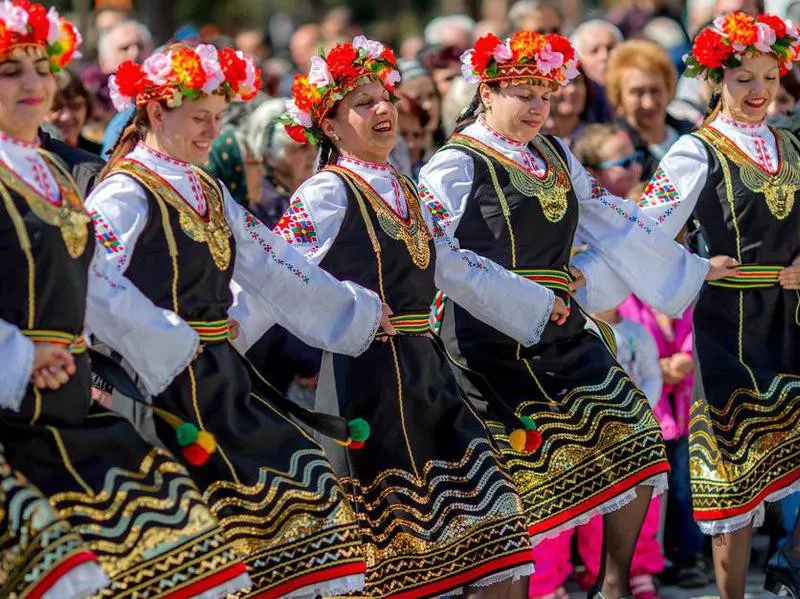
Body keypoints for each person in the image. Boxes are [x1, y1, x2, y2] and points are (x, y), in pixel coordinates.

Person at [420, 30, 737, 599]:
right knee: (515, 496)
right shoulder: (455, 164)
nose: (540, 105)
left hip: (562, 329)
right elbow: (437, 252)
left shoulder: (554, 152)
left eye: (546, 91)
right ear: (487, 91)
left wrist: (679, 265)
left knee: (638, 441)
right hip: (486, 341)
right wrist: (530, 297)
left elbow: (612, 217)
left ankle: (614, 584)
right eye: (524, 92)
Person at [86, 42, 392, 598]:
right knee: (190, 536)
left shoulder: (205, 187)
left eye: (218, 118)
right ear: (156, 112)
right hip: (153, 388)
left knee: (303, 481)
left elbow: (273, 264)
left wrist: (358, 310)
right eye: (199, 118)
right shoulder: (124, 193)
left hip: (215, 379)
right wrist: (165, 336)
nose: (212, 132)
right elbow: (88, 282)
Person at [0, 5, 250, 597]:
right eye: (10, 69)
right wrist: (19, 354)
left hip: (63, 407)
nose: (35, 84)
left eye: (41, 67)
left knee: (182, 549)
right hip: (10, 418)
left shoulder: (49, 174)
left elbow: (91, 281)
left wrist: (182, 339)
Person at [279, 35, 542, 598]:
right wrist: (345, 312)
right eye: (362, 103)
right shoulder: (325, 192)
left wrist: (537, 305)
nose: (382, 110)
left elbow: (451, 262)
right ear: (329, 125)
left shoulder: (403, 185)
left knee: (495, 528)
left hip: (427, 373)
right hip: (365, 386)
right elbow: (278, 275)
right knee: (394, 554)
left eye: (385, 98)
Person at [594, 12, 800, 598]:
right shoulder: (695, 151)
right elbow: (646, 226)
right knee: (733, 478)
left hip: (791, 315)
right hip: (729, 325)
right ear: (715, 80)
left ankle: (791, 559)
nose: (758, 91)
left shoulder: (791, 143)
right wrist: (692, 267)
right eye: (741, 78)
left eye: (767, 76)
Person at [606, 39, 695, 179]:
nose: (648, 103)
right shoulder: (612, 151)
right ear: (619, 95)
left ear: (668, 88)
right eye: (637, 92)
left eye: (655, 90)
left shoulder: (692, 135)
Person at [45, 69, 102, 154]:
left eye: (76, 106)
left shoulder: (102, 155)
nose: (66, 117)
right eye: (56, 107)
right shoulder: (31, 158)